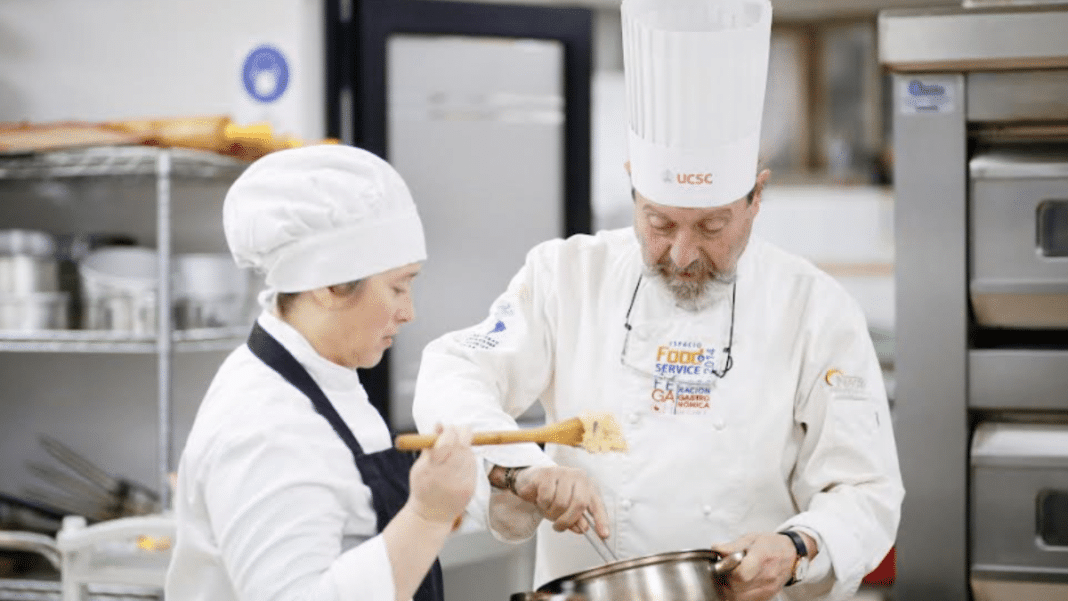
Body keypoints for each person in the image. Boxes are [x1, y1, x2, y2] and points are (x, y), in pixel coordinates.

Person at [410, 1, 904, 600]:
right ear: (633, 187)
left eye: (713, 227)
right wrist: (524, 471)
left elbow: (865, 489)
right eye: (660, 223)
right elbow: (456, 369)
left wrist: (797, 548)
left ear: (757, 198)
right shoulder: (567, 275)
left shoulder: (814, 309)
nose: (682, 254)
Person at [166, 145, 478, 601]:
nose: (409, 312)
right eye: (397, 287)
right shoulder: (265, 428)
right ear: (329, 285)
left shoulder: (327, 383)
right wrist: (427, 518)